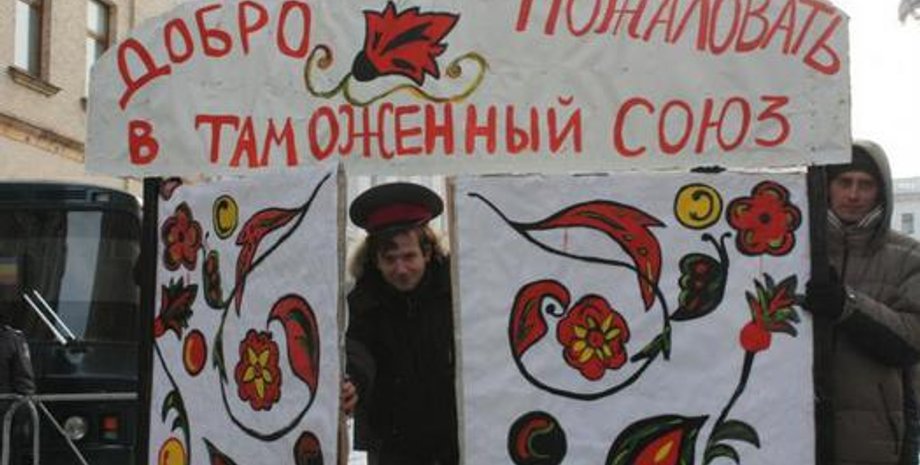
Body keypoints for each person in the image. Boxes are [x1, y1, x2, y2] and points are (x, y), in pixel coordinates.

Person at [805, 140, 920, 465]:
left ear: (880, 192)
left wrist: (848, 305)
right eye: (844, 182)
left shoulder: (909, 256)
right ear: (827, 187)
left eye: (865, 184)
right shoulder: (795, 249)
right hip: (797, 433)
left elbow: (912, 340)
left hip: (873, 441)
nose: (853, 194)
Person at [342, 182, 458, 465]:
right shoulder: (362, 303)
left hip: (455, 439)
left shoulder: (457, 292)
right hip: (392, 446)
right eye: (390, 259)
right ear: (376, 260)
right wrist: (351, 385)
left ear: (427, 252)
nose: (401, 269)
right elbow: (357, 355)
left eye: (409, 257)